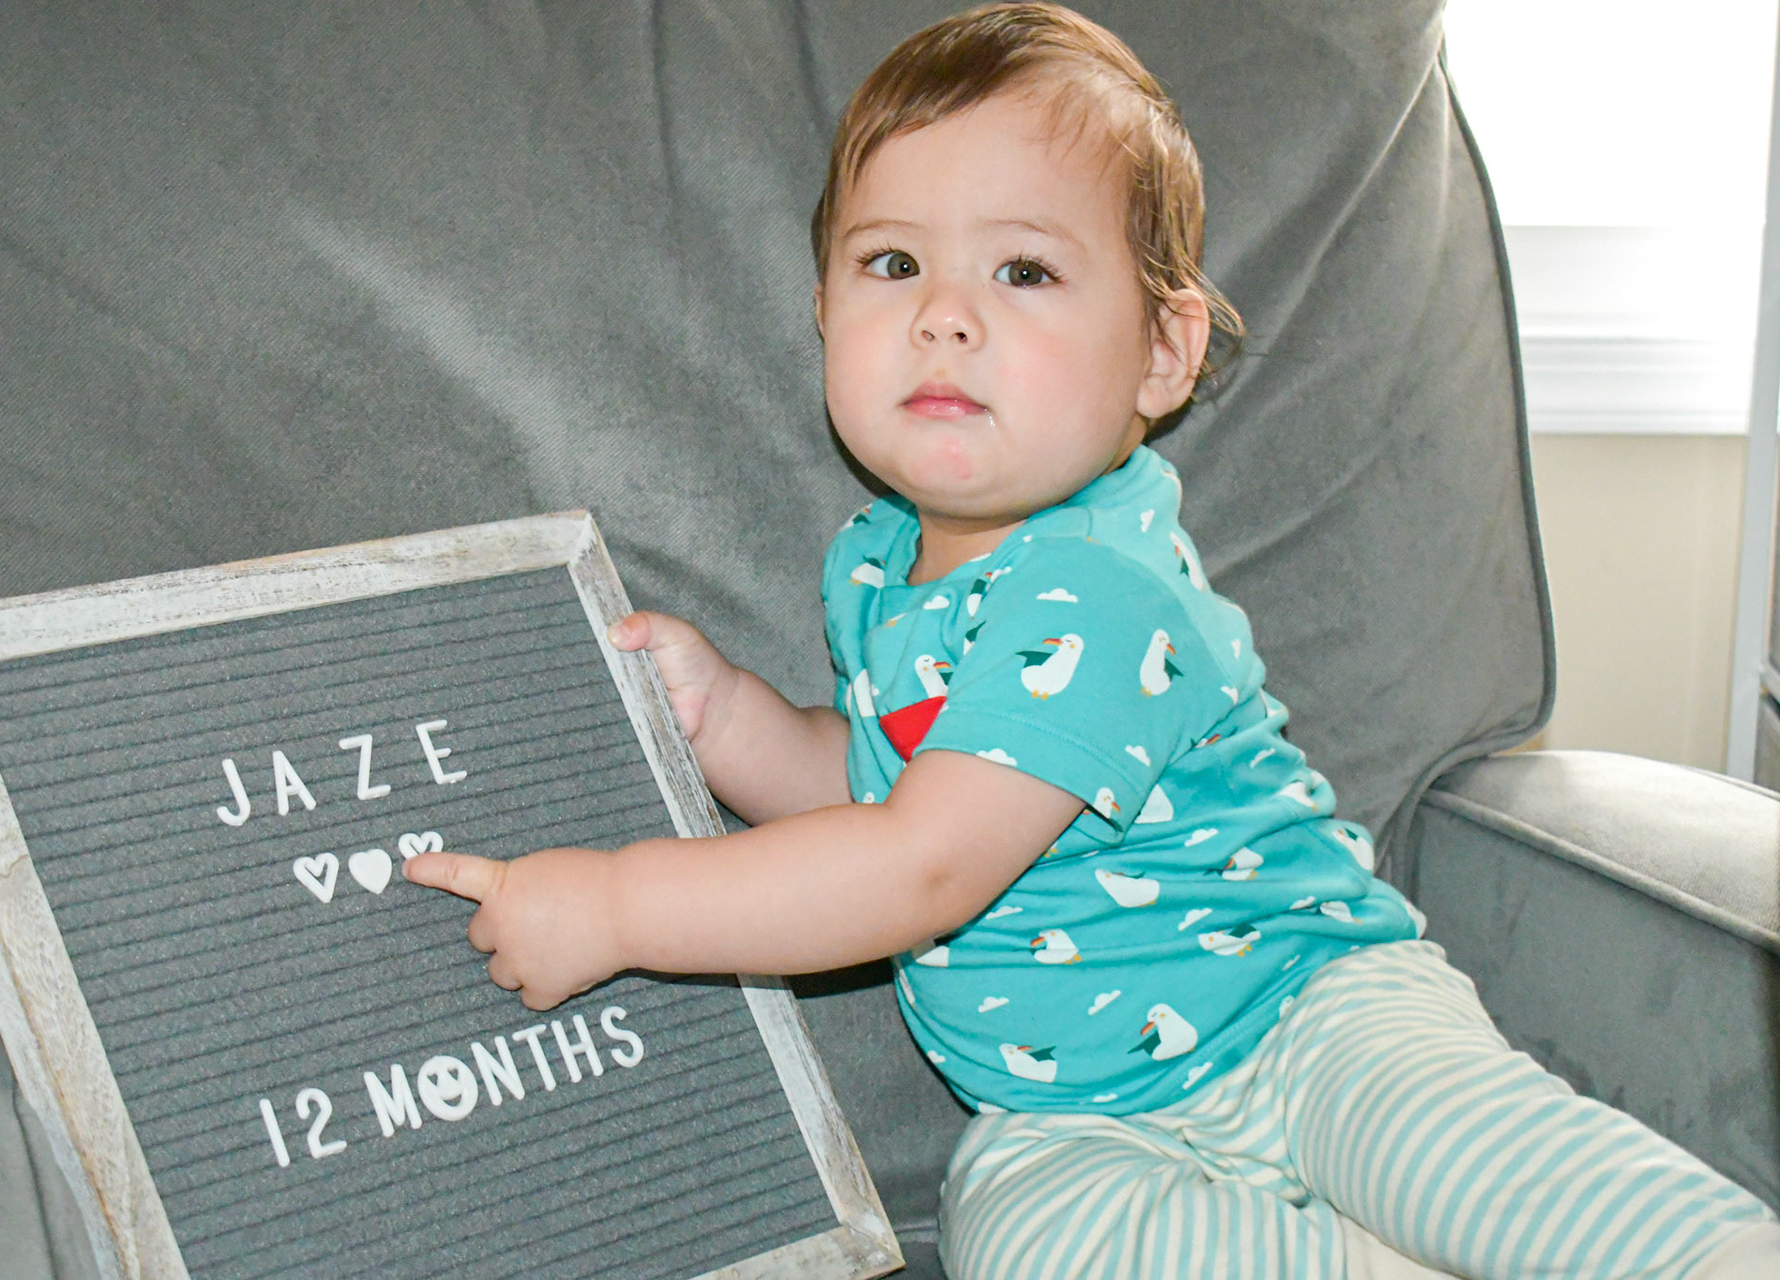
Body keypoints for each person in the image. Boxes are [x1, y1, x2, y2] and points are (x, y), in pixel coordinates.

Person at [406, 5, 1780, 1275]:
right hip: (1069, 1111)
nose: (944, 313)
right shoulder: (874, 565)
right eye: (892, 263)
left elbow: (923, 862)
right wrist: (732, 721)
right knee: (1015, 1233)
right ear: (824, 307)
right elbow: (885, 784)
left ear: (1162, 353)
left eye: (1023, 269)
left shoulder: (1101, 589)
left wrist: (620, 907)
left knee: (1482, 1164)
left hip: (1306, 1018)